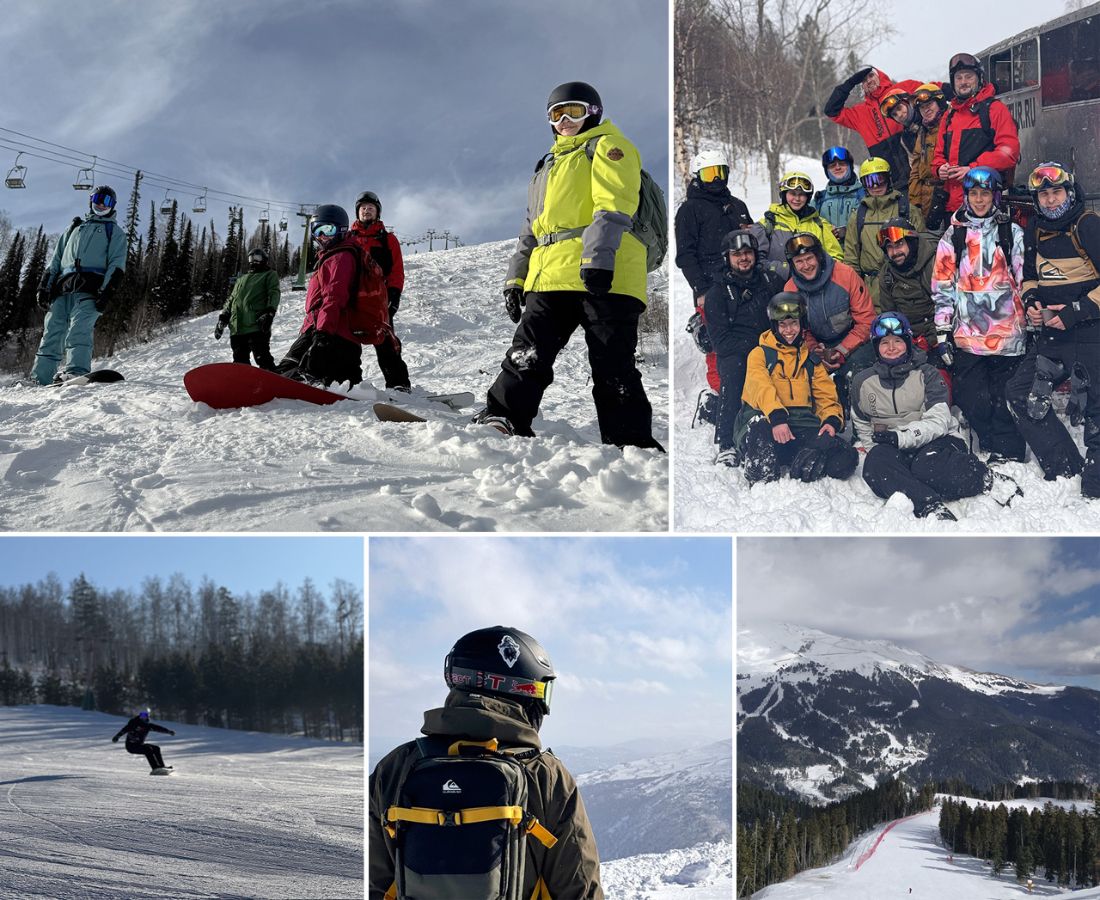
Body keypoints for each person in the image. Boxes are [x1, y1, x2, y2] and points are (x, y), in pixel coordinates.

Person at [474, 81, 660, 449]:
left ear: (593, 112)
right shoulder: (548, 167)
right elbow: (531, 229)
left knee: (613, 363)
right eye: (556, 114)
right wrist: (516, 279)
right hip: (551, 275)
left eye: (573, 111)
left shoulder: (609, 145)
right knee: (528, 350)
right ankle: (505, 416)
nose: (563, 120)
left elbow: (615, 204)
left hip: (609, 275)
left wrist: (598, 258)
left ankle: (630, 442)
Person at [368, 626, 603, 900]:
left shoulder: (396, 767)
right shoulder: (545, 776)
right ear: (525, 691)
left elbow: (374, 882)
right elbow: (579, 888)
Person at [853, 311, 1020, 520]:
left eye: (897, 340)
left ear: (908, 342)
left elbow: (939, 421)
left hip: (938, 441)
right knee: (875, 465)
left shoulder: (928, 374)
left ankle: (986, 479)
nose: (892, 347)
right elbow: (860, 419)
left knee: (927, 467)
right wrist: (875, 447)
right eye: (884, 342)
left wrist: (901, 437)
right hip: (895, 446)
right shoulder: (863, 381)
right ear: (876, 347)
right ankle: (929, 506)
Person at [1006, 162, 1100, 495]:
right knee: (1019, 393)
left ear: (1070, 192)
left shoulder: (1087, 225)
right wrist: (1032, 301)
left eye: (1055, 192)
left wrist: (1076, 312)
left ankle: (1095, 483)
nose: (1049, 200)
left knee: (1095, 407)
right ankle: (1065, 466)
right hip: (1052, 336)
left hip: (1090, 333)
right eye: (1043, 194)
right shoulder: (1034, 227)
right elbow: (1030, 274)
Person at [932, 167, 1026, 462]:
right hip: (969, 336)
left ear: (995, 195)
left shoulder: (1010, 232)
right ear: (967, 196)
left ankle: (1008, 451)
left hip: (1008, 335)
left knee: (1004, 399)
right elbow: (943, 286)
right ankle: (987, 441)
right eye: (974, 193)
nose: (980, 199)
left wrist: (1031, 325)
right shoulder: (954, 235)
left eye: (985, 193)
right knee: (974, 398)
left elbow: (1024, 282)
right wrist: (942, 330)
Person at [736, 292, 857, 484]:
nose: (789, 330)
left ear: (802, 326)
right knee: (759, 428)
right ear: (775, 326)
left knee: (846, 457)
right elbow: (761, 386)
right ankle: (762, 477)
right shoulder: (759, 355)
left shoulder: (811, 360)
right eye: (783, 325)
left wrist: (831, 422)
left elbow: (826, 397)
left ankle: (803, 461)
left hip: (801, 427)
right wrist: (776, 417)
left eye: (794, 324)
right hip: (767, 421)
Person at [675, 149, 753, 412]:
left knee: (748, 333)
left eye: (721, 172)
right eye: (710, 173)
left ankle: (749, 389)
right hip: (711, 286)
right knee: (717, 342)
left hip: (745, 283)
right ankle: (722, 394)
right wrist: (701, 288)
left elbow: (753, 242)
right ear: (698, 177)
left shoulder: (737, 205)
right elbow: (685, 255)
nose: (717, 179)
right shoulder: (690, 210)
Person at [32, 186, 127, 385]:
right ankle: (40, 378)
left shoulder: (114, 232)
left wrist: (106, 293)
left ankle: (75, 372)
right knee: (52, 332)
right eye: (98, 199)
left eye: (107, 201)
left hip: (90, 289)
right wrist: (44, 286)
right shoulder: (74, 228)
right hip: (63, 287)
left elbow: (116, 265)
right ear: (91, 201)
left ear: (112, 206)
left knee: (79, 330)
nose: (101, 204)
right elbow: (56, 260)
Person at [705, 230, 785, 465]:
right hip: (736, 351)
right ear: (727, 258)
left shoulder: (771, 282)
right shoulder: (717, 293)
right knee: (735, 374)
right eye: (737, 254)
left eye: (748, 253)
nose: (743, 258)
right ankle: (726, 442)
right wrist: (756, 350)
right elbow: (719, 341)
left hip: (773, 344)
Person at [784, 232, 875, 415]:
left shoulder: (845, 275)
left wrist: (842, 350)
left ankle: (861, 421)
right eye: (799, 261)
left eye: (809, 258)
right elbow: (798, 329)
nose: (806, 266)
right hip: (818, 344)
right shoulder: (790, 289)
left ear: (818, 256)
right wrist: (814, 349)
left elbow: (866, 320)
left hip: (854, 339)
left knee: (861, 367)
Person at [276, 204, 364, 388]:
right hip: (321, 327)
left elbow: (334, 296)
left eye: (328, 229)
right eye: (318, 231)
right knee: (288, 369)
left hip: (330, 330)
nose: (323, 236)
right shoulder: (330, 256)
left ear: (341, 229)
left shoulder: (340, 256)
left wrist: (323, 334)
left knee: (303, 371)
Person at [932, 53, 1020, 216]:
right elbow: (938, 155)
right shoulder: (949, 115)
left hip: (985, 205)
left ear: (979, 79)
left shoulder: (995, 109)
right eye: (958, 78)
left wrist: (973, 169)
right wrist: (939, 169)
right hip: (952, 207)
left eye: (968, 77)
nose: (963, 82)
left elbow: (1009, 153)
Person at [348, 190, 411, 391]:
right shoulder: (348, 238)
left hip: (378, 299)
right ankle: (350, 382)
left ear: (378, 213)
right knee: (347, 339)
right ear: (358, 212)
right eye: (363, 208)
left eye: (371, 208)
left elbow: (396, 269)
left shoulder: (387, 239)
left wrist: (394, 293)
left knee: (385, 340)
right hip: (351, 297)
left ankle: (398, 384)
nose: (367, 211)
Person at [844, 158, 925, 306]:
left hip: (905, 284)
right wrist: (855, 291)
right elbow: (851, 257)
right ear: (863, 184)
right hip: (871, 290)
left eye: (880, 179)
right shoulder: (859, 215)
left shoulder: (906, 209)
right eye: (869, 181)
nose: (875, 186)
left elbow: (923, 248)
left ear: (889, 179)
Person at [823, 67, 922, 183]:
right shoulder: (859, 113)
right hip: (891, 184)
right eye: (863, 80)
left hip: (922, 174)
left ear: (879, 75)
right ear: (861, 86)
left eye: (871, 76)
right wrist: (850, 83)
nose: (868, 81)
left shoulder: (904, 88)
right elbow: (831, 111)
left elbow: (937, 91)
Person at [753, 171, 843, 277]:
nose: (797, 199)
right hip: (778, 288)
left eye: (801, 195)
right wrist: (787, 271)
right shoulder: (767, 224)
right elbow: (757, 261)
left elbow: (836, 258)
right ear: (784, 195)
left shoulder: (820, 224)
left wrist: (819, 273)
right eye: (792, 193)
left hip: (815, 287)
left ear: (808, 197)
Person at [876, 218, 938, 348]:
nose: (895, 252)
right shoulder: (887, 274)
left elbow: (949, 311)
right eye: (889, 247)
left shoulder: (934, 265)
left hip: (937, 335)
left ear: (911, 242)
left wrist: (930, 340)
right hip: (906, 339)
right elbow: (889, 316)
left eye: (899, 244)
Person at [215, 247, 280, 370]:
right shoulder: (241, 279)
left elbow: (274, 292)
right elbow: (231, 299)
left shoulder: (269, 274)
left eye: (257, 258)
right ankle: (243, 385)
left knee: (262, 356)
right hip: (237, 328)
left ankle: (273, 381)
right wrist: (223, 318)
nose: (253, 261)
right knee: (239, 361)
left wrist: (270, 312)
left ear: (264, 260)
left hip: (256, 324)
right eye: (251, 258)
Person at [906, 84, 949, 227]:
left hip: (948, 194)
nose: (926, 109)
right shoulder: (923, 131)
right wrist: (914, 204)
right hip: (927, 199)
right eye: (922, 107)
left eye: (930, 104)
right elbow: (916, 169)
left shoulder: (951, 125)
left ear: (940, 103)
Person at [813, 147, 864, 244]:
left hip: (859, 256)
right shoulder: (819, 199)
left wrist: (849, 231)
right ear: (826, 171)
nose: (837, 168)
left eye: (842, 164)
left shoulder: (864, 194)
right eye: (832, 165)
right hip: (830, 257)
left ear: (850, 166)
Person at [111, 708, 175, 772]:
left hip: (139, 745)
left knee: (156, 748)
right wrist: (117, 737)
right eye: (142, 716)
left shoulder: (148, 726)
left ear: (148, 716)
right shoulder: (133, 723)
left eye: (145, 716)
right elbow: (124, 730)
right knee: (148, 749)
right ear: (139, 716)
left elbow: (158, 728)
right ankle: (155, 768)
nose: (143, 718)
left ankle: (161, 767)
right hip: (131, 746)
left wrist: (168, 731)